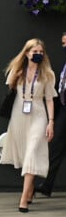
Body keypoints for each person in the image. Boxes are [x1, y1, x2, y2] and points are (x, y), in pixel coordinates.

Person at [0, 38, 56, 212]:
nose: (38, 55)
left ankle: (23, 198)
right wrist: (16, 78)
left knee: (32, 152)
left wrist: (51, 122)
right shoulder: (17, 70)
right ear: (27, 53)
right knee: (25, 154)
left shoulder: (47, 74)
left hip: (38, 115)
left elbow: (49, 100)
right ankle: (30, 189)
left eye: (41, 52)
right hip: (19, 115)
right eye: (35, 52)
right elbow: (10, 89)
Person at [35, 31, 66, 197]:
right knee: (55, 147)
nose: (63, 46)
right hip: (63, 108)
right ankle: (47, 185)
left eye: (65, 43)